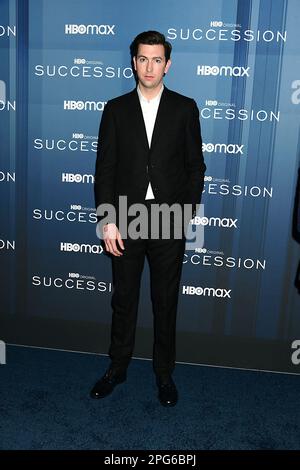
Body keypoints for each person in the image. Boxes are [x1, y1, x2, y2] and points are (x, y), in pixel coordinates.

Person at [91, 30, 206, 406]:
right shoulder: (115, 109)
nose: (149, 66)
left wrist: (185, 213)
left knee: (165, 300)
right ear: (133, 62)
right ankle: (117, 367)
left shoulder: (185, 108)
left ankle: (163, 374)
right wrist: (107, 219)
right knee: (123, 299)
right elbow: (104, 168)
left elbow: (195, 167)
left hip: (168, 219)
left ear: (167, 64)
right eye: (143, 58)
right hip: (125, 218)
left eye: (157, 59)